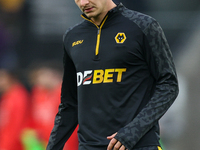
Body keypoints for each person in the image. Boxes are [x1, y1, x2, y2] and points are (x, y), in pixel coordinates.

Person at [47, 0, 179, 150]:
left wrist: (133, 131)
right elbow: (70, 104)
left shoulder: (143, 25)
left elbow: (169, 85)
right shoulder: (72, 36)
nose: (84, 2)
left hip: (138, 145)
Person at [0, 68, 29, 150]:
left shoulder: (18, 96)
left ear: (12, 78)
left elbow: (16, 125)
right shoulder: (7, 96)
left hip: (16, 144)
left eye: (1, 78)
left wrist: (6, 146)